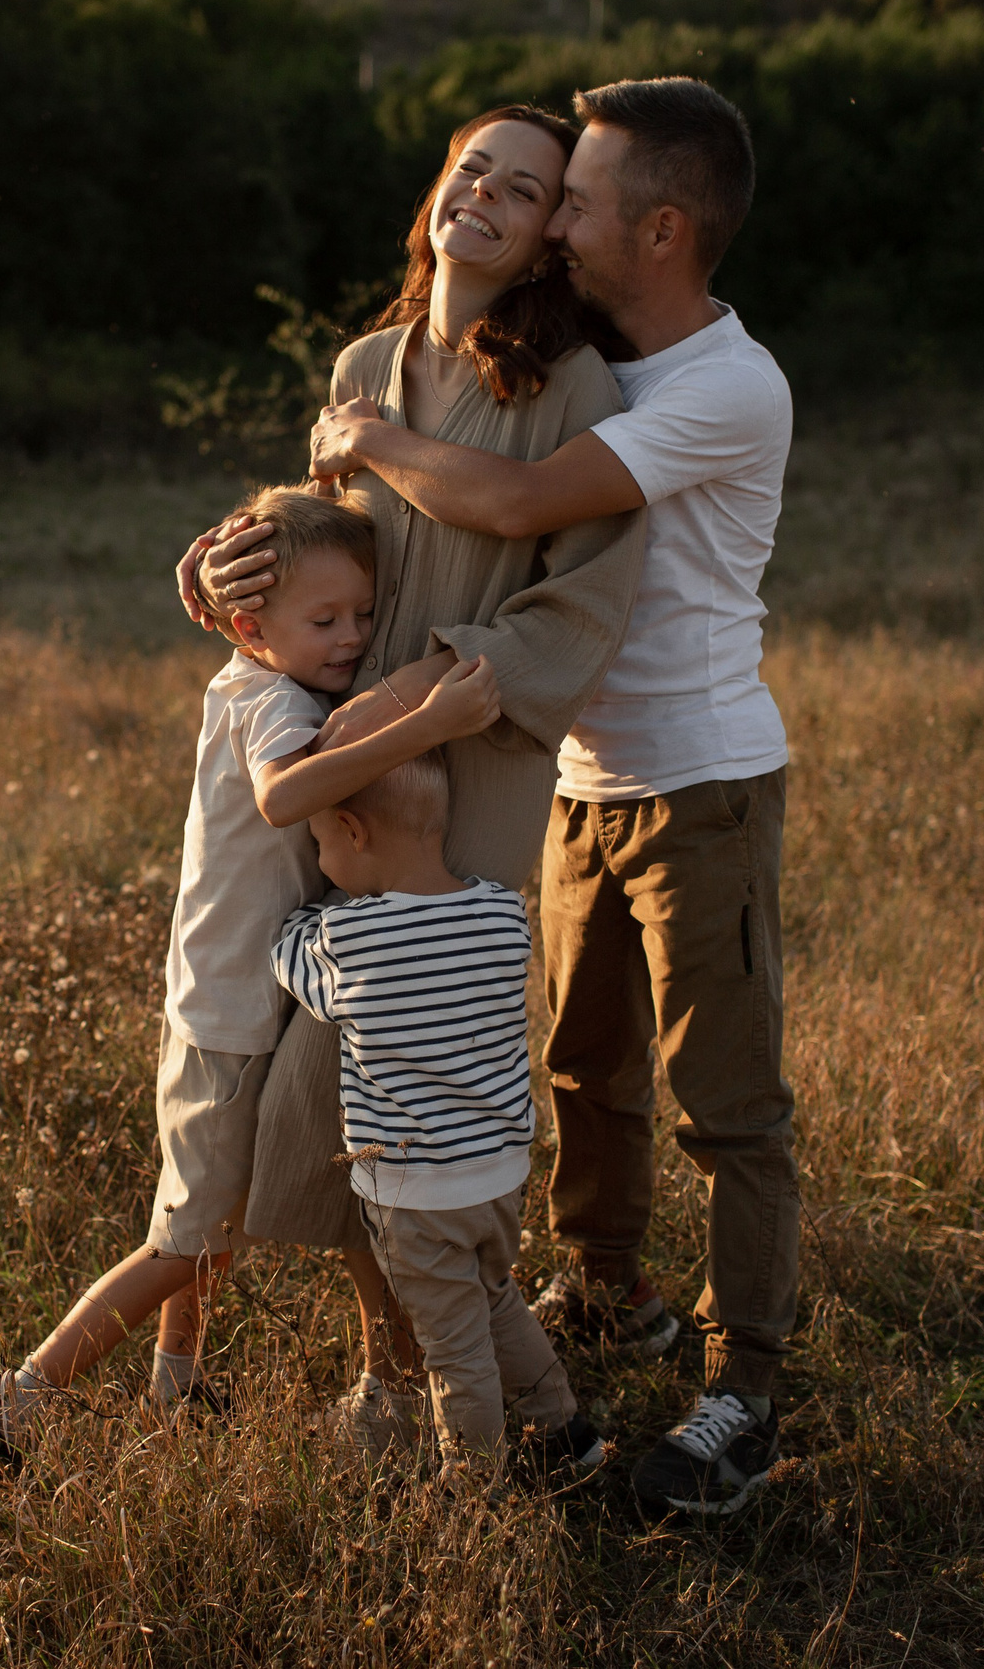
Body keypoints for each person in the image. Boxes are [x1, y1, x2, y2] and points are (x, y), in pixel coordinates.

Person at [282, 75, 801, 1518]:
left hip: (701, 774)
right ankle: (608, 1288)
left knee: (730, 1105)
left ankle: (744, 1385)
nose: (554, 218)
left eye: (578, 200)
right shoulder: (594, 359)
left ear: (666, 227)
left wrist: (364, 433)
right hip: (569, 773)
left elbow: (515, 508)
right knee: (582, 1072)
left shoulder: (720, 384)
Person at [174, 103, 648, 1444]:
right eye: (469, 170)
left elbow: (586, 601)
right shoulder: (366, 364)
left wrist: (432, 683)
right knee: (334, 1087)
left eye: (525, 189)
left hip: (472, 774)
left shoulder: (572, 393)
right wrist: (217, 572)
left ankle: (461, 1395)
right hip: (341, 784)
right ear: (437, 191)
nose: (486, 197)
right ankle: (402, 1370)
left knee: (421, 1091)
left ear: (554, 230)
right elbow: (309, 552)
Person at [0, 486, 498, 1462]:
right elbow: (285, 794)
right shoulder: (276, 703)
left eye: (362, 616)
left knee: (211, 1218)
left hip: (231, 996)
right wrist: (426, 719)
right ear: (249, 622)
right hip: (231, 1014)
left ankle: (178, 1379)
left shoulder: (243, 677)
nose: (349, 638)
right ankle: (16, 1396)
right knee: (188, 1236)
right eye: (323, 620)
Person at [272, 747, 604, 1485]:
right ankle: (564, 1427)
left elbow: (286, 952)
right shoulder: (498, 909)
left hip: (418, 1196)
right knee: (494, 1302)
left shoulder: (349, 940)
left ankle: (472, 1488)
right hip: (498, 1176)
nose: (320, 860)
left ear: (356, 832)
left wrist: (306, 916)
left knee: (453, 1348)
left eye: (321, 842)